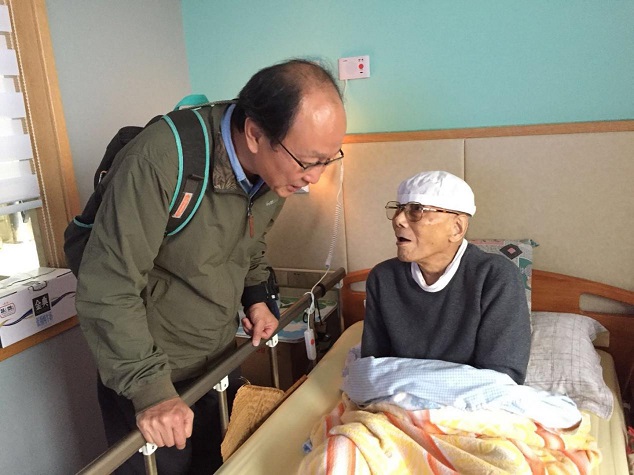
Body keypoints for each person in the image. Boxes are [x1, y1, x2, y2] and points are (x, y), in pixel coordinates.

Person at [75, 59, 347, 474]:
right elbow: (108, 286)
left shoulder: (274, 172)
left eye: (327, 160)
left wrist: (256, 297)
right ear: (254, 134)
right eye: (308, 161)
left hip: (216, 360)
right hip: (151, 371)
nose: (314, 177)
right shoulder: (160, 161)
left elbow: (249, 241)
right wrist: (150, 391)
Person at [361, 170, 531, 384]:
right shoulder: (383, 278)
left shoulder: (495, 276)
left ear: (457, 228)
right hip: (395, 396)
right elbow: (374, 366)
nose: (398, 220)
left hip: (471, 401)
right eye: (399, 209)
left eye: (416, 210)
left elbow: (502, 377)